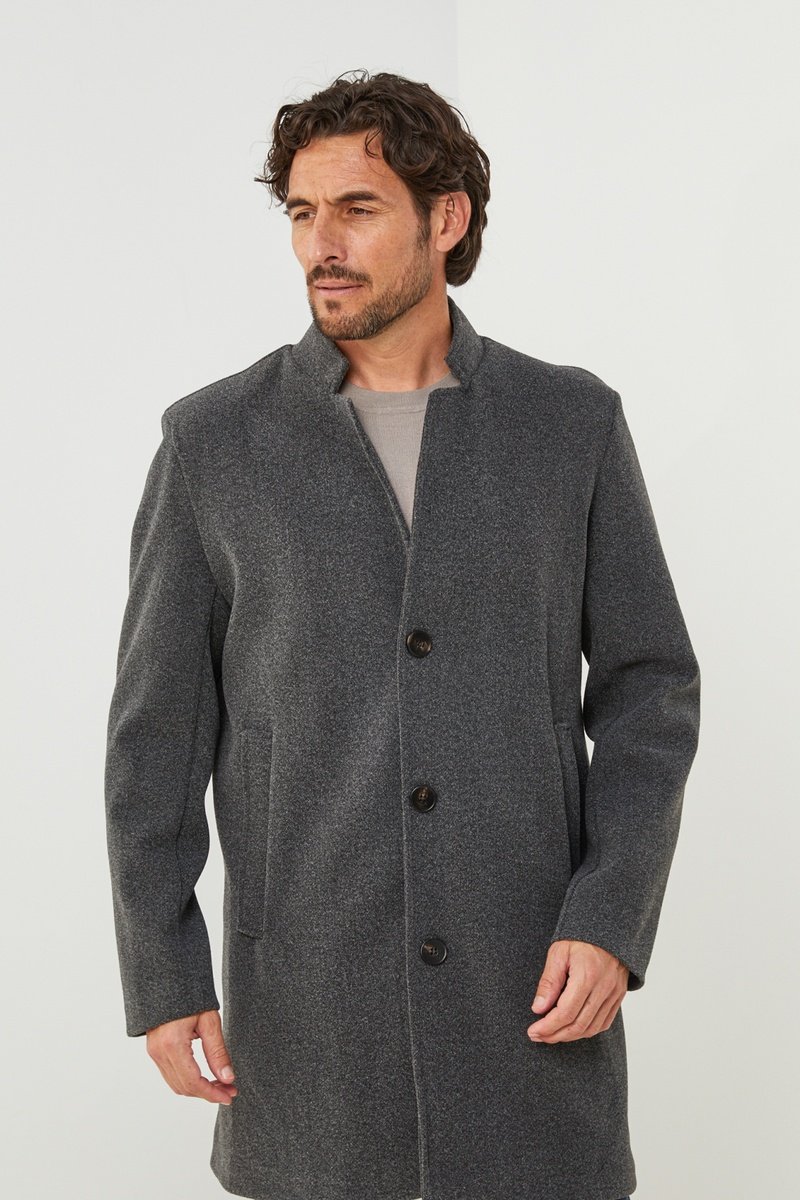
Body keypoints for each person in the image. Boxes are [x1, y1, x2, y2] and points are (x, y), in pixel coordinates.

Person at [104, 68, 700, 1200]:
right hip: (309, 1002)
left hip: (529, 983)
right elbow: (155, 737)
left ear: (446, 218)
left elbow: (648, 690)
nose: (319, 245)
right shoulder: (214, 443)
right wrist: (164, 971)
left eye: (357, 208)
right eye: (301, 212)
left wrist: (611, 915)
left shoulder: (568, 424)